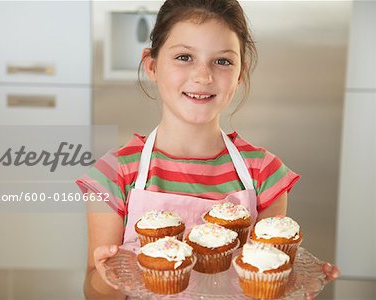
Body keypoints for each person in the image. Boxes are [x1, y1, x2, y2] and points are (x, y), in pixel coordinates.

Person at [77, 1, 339, 299]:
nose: (203, 76)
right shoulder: (114, 173)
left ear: (240, 73)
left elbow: (265, 278)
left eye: (223, 61)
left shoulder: (264, 172)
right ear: (151, 65)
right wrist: (105, 276)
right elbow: (94, 294)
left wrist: (290, 282)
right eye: (184, 57)